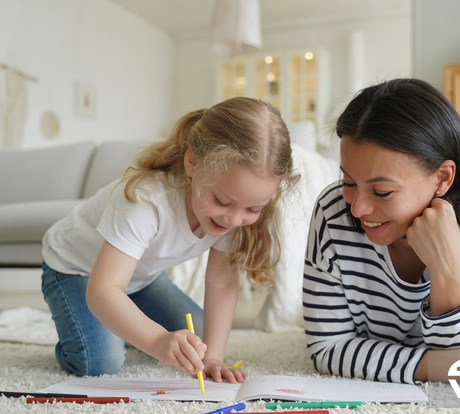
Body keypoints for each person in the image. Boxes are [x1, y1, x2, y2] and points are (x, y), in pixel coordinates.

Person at [302, 79, 460, 385]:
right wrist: (448, 366)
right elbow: (327, 349)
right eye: (349, 182)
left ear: (442, 178)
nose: (357, 209)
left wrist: (448, 267)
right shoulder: (331, 211)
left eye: (381, 191)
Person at [42, 97, 297, 382]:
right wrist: (155, 341)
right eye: (222, 201)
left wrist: (213, 358)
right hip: (76, 270)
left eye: (253, 209)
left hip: (141, 279)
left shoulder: (233, 208)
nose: (234, 220)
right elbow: (103, 290)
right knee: (101, 361)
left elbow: (221, 283)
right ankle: (89, 335)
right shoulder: (145, 201)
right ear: (192, 163)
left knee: (199, 342)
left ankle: (123, 324)